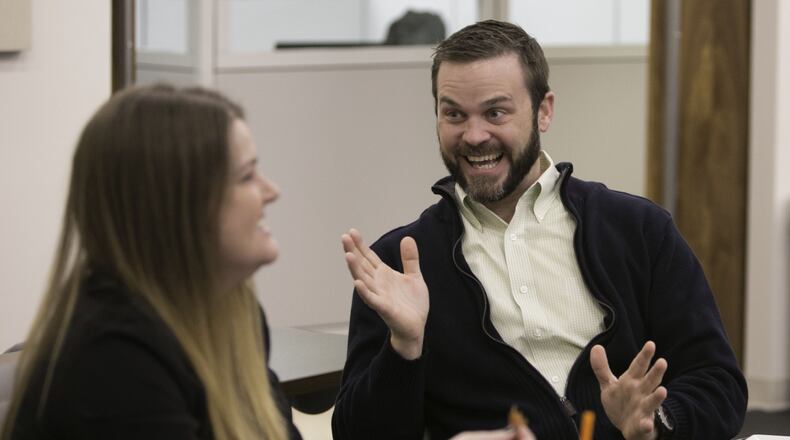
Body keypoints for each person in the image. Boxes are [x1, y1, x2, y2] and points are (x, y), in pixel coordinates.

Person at [332, 20, 747, 440]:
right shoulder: (400, 265)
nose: (474, 135)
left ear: (543, 111)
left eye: (495, 112)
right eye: (454, 114)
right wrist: (403, 348)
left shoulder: (639, 230)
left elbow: (719, 384)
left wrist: (655, 422)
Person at [1, 85, 300, 440]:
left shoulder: (232, 312)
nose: (272, 191)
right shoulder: (112, 359)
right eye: (247, 176)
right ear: (178, 207)